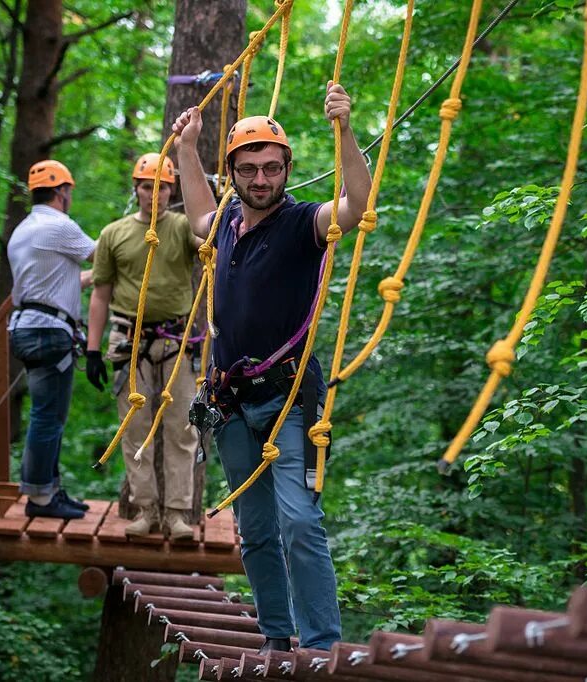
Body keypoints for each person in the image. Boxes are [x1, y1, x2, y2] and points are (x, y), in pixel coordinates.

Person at [172, 81, 372, 652]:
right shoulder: (228, 228)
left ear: (288, 169)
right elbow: (197, 220)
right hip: (231, 404)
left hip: (288, 401)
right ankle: (277, 638)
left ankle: (321, 644)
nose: (261, 180)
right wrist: (188, 150)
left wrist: (346, 129)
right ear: (233, 172)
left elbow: (356, 207)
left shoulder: (303, 224)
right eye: (250, 169)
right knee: (255, 531)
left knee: (301, 524)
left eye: (272, 168)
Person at [85, 153, 200, 540]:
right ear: (136, 189)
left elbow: (211, 238)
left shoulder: (183, 228)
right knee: (135, 428)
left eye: (163, 187)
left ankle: (177, 514)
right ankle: (146, 509)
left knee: (181, 427)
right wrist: (91, 348)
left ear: (172, 191)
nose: (155, 194)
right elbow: (100, 295)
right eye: (148, 186)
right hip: (129, 339)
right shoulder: (113, 234)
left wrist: (214, 198)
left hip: (175, 340)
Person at [7, 159, 96, 520]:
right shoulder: (58, 225)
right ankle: (41, 498)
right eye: (69, 191)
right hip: (47, 332)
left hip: (28, 325)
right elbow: (105, 254)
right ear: (61, 191)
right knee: (48, 416)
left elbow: (62, 284)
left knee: (49, 415)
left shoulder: (24, 230)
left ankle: (49, 488)